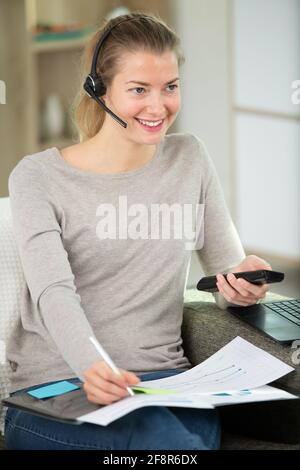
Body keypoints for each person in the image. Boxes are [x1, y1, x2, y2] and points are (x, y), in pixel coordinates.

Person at [4, 12, 271, 450]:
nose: (158, 106)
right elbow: (54, 292)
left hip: (167, 386)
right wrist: (95, 366)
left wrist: (242, 283)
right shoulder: (37, 177)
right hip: (62, 388)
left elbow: (226, 274)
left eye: (170, 87)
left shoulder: (190, 158)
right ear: (99, 89)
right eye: (138, 90)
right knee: (174, 448)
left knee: (174, 441)